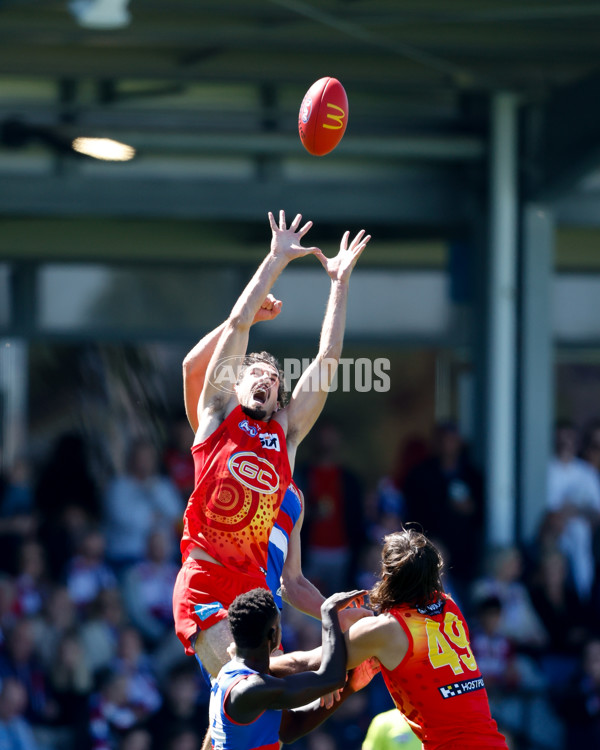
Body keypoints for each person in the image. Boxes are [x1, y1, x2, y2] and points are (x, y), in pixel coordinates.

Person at [172, 210, 371, 678]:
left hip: (254, 597)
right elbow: (240, 324)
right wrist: (276, 257)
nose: (265, 380)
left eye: (274, 379)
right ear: (234, 386)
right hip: (205, 582)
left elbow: (328, 359)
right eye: (255, 374)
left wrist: (339, 284)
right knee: (253, 687)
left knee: (245, 715)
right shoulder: (216, 417)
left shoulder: (287, 437)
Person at [277, 529, 509, 749]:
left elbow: (303, 664)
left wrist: (250, 660)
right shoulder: (451, 608)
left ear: (387, 576)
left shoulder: (384, 630)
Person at [209, 587, 365, 749]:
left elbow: (290, 730)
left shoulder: (234, 674)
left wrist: (350, 685)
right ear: (273, 634)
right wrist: (329, 611)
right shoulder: (251, 688)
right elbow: (332, 678)